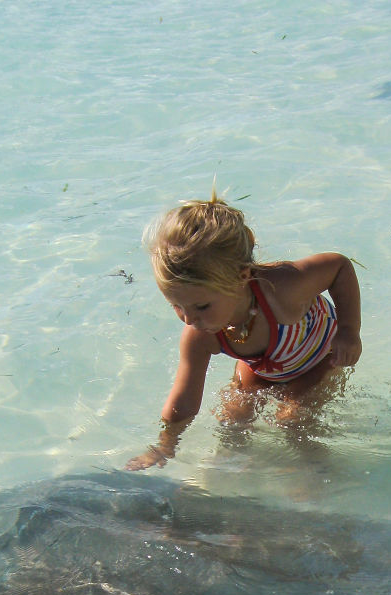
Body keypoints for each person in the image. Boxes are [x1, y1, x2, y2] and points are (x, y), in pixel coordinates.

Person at [126, 195, 362, 469]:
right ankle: (234, 468)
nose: (189, 319)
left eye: (201, 306)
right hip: (262, 366)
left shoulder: (283, 289)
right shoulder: (199, 334)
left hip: (319, 358)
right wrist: (164, 447)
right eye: (176, 306)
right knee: (231, 417)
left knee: (292, 421)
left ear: (241, 277)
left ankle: (315, 470)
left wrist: (348, 330)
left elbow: (339, 267)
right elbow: (184, 400)